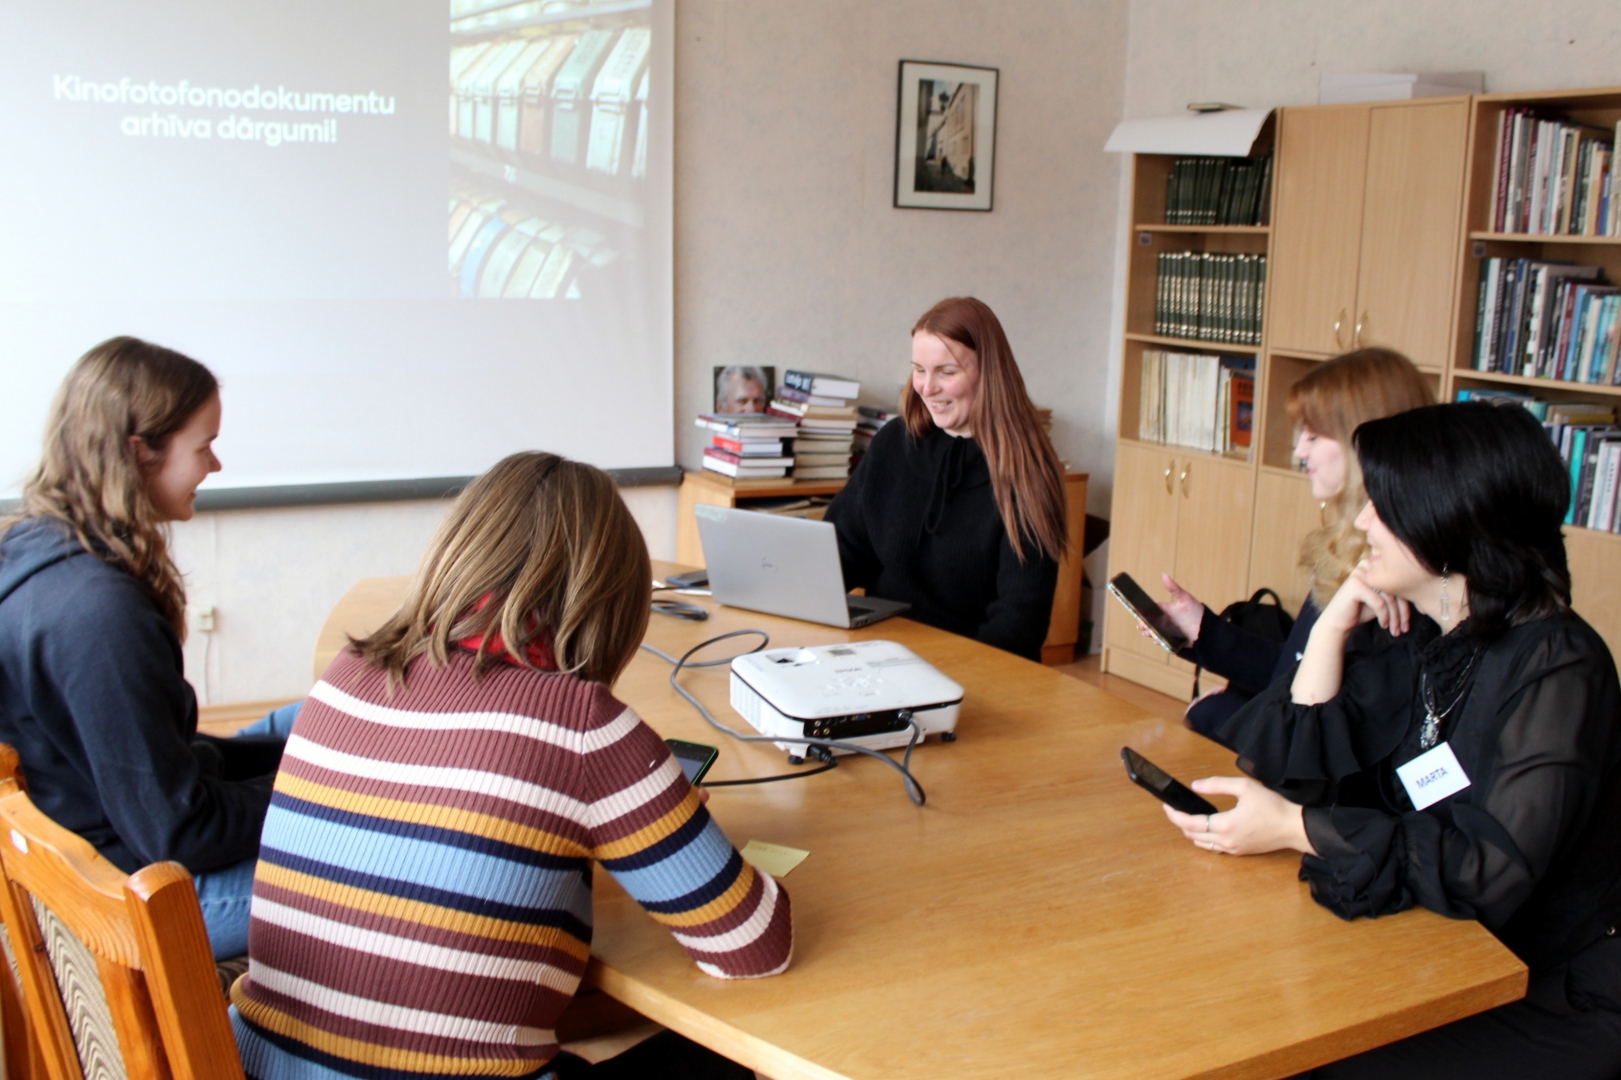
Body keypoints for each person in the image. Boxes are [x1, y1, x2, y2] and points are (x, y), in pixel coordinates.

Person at [229, 452, 792, 1080]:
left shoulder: (344, 677)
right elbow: (754, 947)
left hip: (253, 1066)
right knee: (737, 1057)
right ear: (613, 599)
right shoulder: (582, 724)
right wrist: (669, 831)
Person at [1161, 402, 1621, 1078]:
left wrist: (1295, 829)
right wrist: (1329, 629)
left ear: (1446, 521)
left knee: (1289, 1049)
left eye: (1383, 506)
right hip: (1433, 946)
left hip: (1538, 984)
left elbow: (1488, 870)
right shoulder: (1425, 632)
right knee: (1227, 1000)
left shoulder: (1559, 664)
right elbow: (1294, 776)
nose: (1361, 523)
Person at [0, 337, 299, 961]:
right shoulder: (97, 616)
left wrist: (303, 763)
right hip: (131, 896)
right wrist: (320, 792)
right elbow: (181, 830)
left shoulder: (40, 549)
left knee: (307, 718)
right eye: (204, 446)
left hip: (119, 840)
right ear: (140, 453)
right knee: (405, 861)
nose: (215, 465)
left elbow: (151, 760)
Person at [1147, 348, 1433, 739]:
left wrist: (1228, 713)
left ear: (1363, 441)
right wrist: (1203, 630)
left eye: (1314, 436)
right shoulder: (1342, 547)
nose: (1299, 451)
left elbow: (1326, 732)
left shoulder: (1394, 574)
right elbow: (1295, 671)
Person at [825, 297, 1067, 661]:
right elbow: (843, 551)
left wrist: (949, 675)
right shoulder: (894, 442)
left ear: (989, 373)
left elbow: (1019, 625)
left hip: (973, 670)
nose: (926, 387)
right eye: (919, 370)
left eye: (946, 372)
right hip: (880, 655)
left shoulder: (1026, 471)